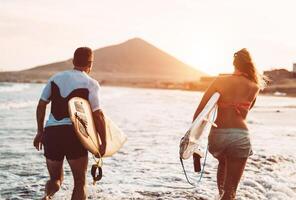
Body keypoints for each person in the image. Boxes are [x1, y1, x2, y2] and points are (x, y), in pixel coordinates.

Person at [33, 47, 106, 200]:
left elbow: (41, 105)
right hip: (74, 134)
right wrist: (102, 142)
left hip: (52, 133)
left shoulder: (55, 78)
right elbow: (98, 115)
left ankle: (47, 196)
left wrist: (40, 132)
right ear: (90, 64)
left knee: (55, 179)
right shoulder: (90, 83)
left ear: (73, 61)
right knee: (79, 182)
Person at [192, 49, 266, 200]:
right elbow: (244, 113)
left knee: (224, 165)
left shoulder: (220, 81)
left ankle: (221, 196)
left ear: (234, 64)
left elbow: (200, 111)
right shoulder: (254, 86)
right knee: (230, 193)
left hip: (218, 135)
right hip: (240, 135)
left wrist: (192, 140)